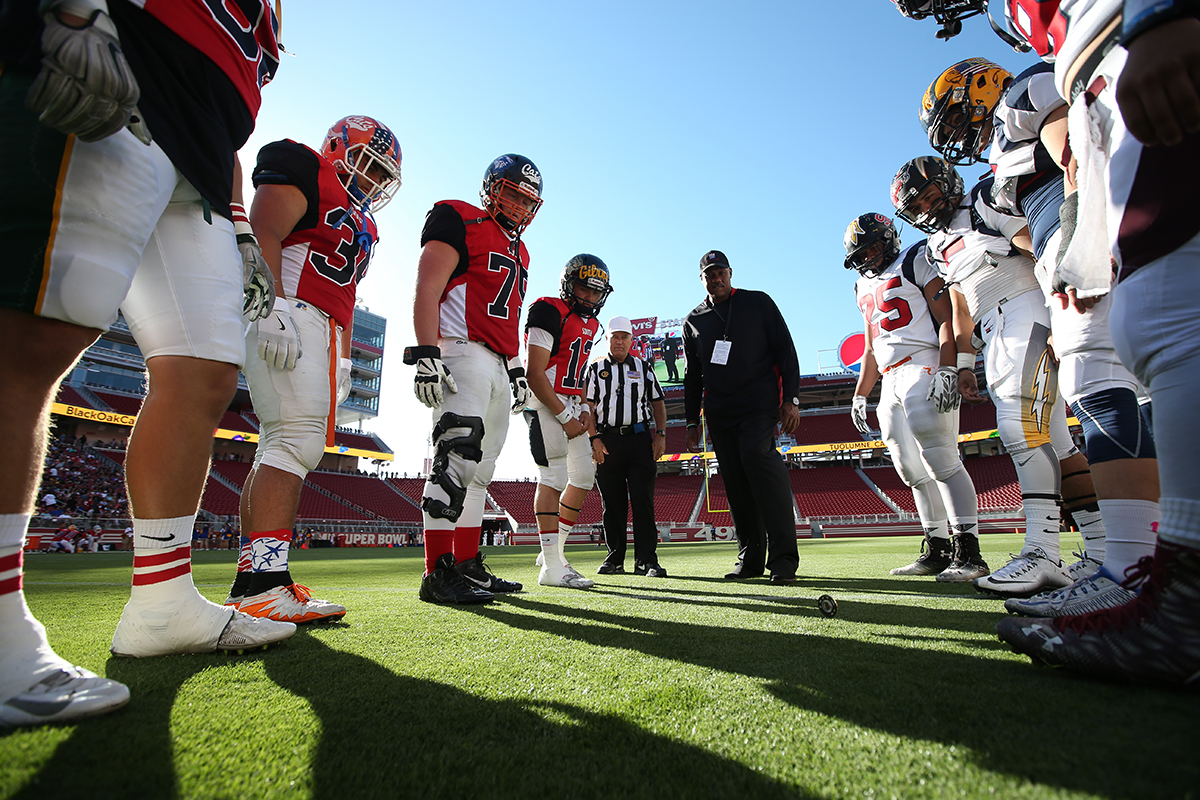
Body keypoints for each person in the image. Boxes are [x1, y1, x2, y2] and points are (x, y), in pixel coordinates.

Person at [0, 0, 294, 726]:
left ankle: (161, 605)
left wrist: (237, 220)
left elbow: (221, 94)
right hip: (115, 62)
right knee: (28, 336)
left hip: (196, 150)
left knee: (203, 375)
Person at [994, 1, 1200, 686]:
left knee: (1166, 308)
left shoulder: (1026, 97)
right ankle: (1145, 572)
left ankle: (1143, 572)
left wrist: (1160, 13)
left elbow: (1067, 153)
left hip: (1143, 57)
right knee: (1156, 315)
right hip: (1126, 69)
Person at [922, 56, 1160, 616]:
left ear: (979, 89)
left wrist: (1079, 243)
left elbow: (1071, 160)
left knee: (1043, 417)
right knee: (1075, 423)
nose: (959, 134)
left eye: (958, 117)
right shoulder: (992, 175)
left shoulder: (1020, 99)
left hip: (1051, 285)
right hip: (1023, 305)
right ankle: (1113, 552)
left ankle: (1065, 554)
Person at [224, 115, 401, 624]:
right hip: (291, 311)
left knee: (278, 444)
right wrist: (271, 304)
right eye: (367, 164)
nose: (370, 181)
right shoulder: (307, 167)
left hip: (321, 327)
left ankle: (253, 581)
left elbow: (343, 296)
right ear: (339, 149)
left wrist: (343, 354)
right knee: (294, 441)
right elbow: (264, 231)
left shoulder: (364, 220)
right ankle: (266, 585)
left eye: (381, 175)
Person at [892, 155, 1081, 599]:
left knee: (1019, 425)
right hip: (993, 328)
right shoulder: (936, 246)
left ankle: (1043, 552)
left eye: (929, 192)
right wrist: (961, 364)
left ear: (947, 182)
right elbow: (959, 307)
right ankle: (1102, 547)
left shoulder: (982, 200)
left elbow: (1037, 244)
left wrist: (1059, 311)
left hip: (1025, 305)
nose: (926, 204)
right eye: (916, 201)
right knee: (1057, 441)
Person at [406, 154, 543, 604]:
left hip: (499, 363)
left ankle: (465, 565)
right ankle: (435, 572)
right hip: (461, 350)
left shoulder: (520, 251)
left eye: (528, 200)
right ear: (491, 188)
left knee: (481, 472)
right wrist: (427, 352)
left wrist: (517, 370)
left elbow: (508, 319)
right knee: (456, 457)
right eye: (512, 194)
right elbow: (428, 285)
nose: (520, 206)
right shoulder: (459, 217)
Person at [843, 213, 987, 582]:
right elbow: (872, 348)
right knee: (910, 469)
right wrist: (861, 395)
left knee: (941, 459)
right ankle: (937, 548)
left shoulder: (916, 258)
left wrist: (947, 367)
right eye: (864, 251)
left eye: (875, 245)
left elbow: (945, 318)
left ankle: (969, 552)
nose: (871, 255)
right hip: (889, 379)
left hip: (923, 362)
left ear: (889, 238)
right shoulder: (861, 286)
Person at [683, 250, 801, 582]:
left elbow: (785, 350)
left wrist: (790, 399)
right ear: (702, 279)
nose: (715, 278)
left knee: (757, 458)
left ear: (730, 273)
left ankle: (783, 559)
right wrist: (692, 423)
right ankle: (750, 560)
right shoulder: (693, 321)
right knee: (734, 483)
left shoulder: (758, 303)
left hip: (759, 404)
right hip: (719, 413)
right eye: (708, 273)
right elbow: (693, 377)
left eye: (720, 272)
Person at [523, 255, 612, 589]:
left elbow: (579, 371)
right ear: (567, 284)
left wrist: (586, 406)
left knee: (585, 476)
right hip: (545, 404)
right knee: (553, 477)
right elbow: (535, 372)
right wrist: (563, 416)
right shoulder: (547, 310)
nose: (589, 298)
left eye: (595, 292)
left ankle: (554, 554)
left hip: (572, 404)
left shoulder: (590, 324)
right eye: (583, 289)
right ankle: (550, 567)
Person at [584, 316, 668, 576]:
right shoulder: (596, 369)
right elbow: (588, 406)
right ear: (607, 339)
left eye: (624, 337)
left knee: (643, 500)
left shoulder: (644, 367)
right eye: (614, 337)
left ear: (632, 340)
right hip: (607, 440)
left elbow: (657, 402)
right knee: (613, 502)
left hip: (639, 439)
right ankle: (614, 559)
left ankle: (646, 560)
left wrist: (661, 434)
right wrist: (593, 438)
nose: (619, 341)